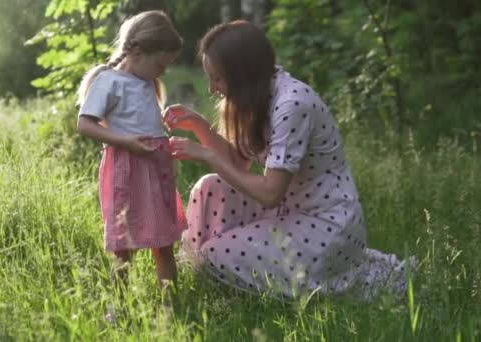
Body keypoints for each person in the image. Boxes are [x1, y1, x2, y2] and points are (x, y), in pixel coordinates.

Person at [164, 20, 414, 299]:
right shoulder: (258, 98)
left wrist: (208, 155)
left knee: (214, 255)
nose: (211, 88)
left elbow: (270, 193)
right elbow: (238, 163)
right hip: (288, 210)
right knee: (210, 186)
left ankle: (215, 271)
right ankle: (194, 278)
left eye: (218, 78)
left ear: (244, 75)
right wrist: (198, 124)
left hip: (324, 225)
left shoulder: (293, 104)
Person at [76, 10, 187, 305]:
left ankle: (171, 307)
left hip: (155, 167)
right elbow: (84, 124)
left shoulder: (145, 81)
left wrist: (163, 125)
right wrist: (127, 142)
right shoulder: (109, 81)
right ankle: (118, 307)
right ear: (137, 51)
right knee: (124, 244)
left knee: (163, 241)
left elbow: (138, 119)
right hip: (128, 167)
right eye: (160, 65)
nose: (162, 72)